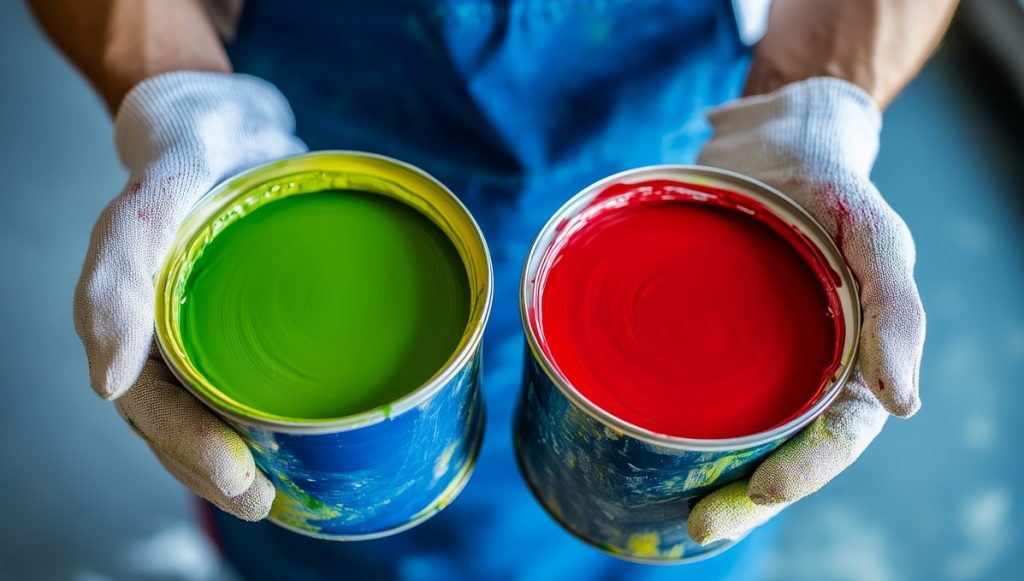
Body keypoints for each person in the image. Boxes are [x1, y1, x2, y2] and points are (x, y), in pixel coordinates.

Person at [31, 0, 954, 578]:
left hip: (697, 189)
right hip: (300, 156)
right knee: (313, 527)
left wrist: (814, 112)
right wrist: (182, 108)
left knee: (664, 527)